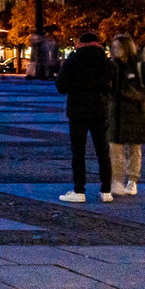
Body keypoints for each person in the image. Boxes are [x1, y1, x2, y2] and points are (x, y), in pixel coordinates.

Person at [55, 31, 115, 202]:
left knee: (78, 151)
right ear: (98, 43)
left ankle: (79, 190)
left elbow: (61, 86)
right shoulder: (107, 62)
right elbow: (115, 86)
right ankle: (106, 191)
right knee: (103, 150)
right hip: (101, 110)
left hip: (78, 110)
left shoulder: (73, 60)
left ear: (80, 42)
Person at [108, 33, 145, 196]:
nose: (114, 50)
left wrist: (142, 94)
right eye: (113, 47)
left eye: (118, 47)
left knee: (134, 148)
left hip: (136, 113)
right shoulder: (112, 67)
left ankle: (132, 180)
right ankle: (116, 181)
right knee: (114, 149)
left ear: (126, 48)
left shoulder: (140, 67)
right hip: (115, 113)